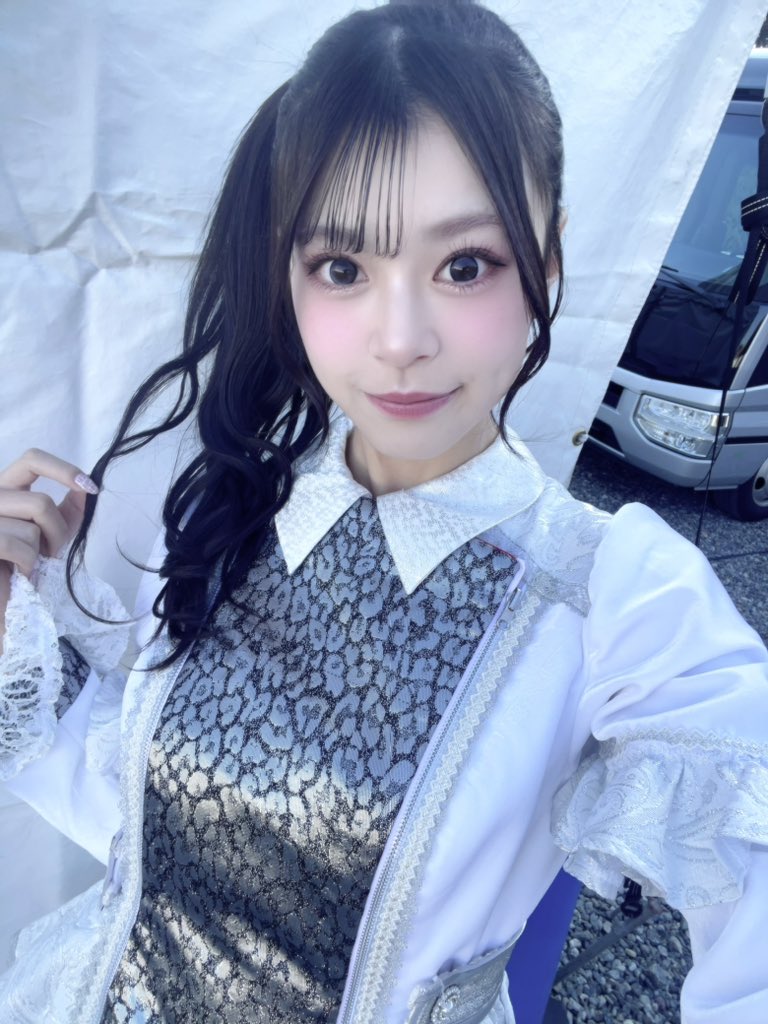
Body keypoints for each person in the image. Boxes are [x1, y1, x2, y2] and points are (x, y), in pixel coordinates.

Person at [1, 1, 767, 1021]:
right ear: (289, 275)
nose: (400, 339)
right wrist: (13, 626)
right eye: (342, 268)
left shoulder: (610, 598)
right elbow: (152, 824)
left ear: (547, 262)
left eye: (464, 265)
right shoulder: (241, 508)